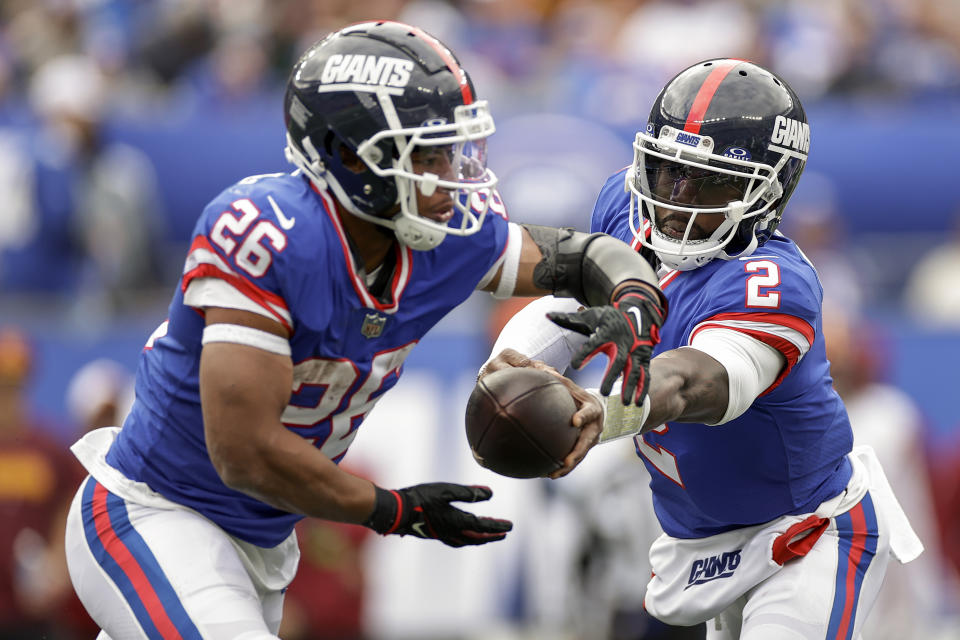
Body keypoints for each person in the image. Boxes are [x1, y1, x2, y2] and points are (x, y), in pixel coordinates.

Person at [62, 21, 667, 640]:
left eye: (451, 149)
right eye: (427, 153)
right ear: (351, 154)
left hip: (259, 543)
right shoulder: (267, 235)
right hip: (156, 513)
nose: (450, 175)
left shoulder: (443, 240)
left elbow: (577, 256)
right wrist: (390, 509)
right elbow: (243, 453)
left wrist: (635, 296)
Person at [484, 58, 923, 639]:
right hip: (702, 540)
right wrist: (515, 365)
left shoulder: (775, 281)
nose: (678, 198)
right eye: (669, 172)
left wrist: (607, 411)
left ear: (767, 191)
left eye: (711, 180)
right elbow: (568, 312)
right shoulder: (624, 207)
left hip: (805, 534)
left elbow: (699, 380)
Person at [0, 327, 86, 639]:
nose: (8, 393)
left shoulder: (47, 447)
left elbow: (72, 507)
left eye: (14, 384)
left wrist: (57, 563)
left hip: (32, 611)